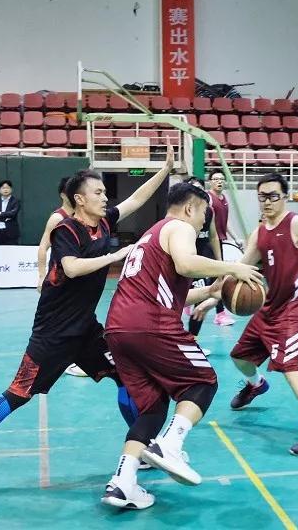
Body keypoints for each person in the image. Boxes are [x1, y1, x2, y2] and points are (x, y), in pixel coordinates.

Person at [0, 149, 176, 496]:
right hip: (52, 334)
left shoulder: (104, 221)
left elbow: (137, 199)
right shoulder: (66, 228)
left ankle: (140, 447)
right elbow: (71, 267)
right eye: (98, 192)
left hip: (86, 330)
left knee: (127, 378)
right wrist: (115, 255)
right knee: (17, 395)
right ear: (80, 199)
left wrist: (165, 169)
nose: (105, 198)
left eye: (105, 193)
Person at [101, 181, 262, 510]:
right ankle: (169, 446)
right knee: (203, 381)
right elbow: (187, 264)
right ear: (190, 208)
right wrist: (233, 266)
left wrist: (211, 291)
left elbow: (171, 294)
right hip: (150, 324)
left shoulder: (151, 235)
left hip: (119, 328)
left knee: (153, 409)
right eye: (204, 213)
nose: (204, 221)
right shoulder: (180, 227)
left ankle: (122, 483)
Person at [227, 173, 298, 456]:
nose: (267, 202)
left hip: (295, 308)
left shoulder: (296, 224)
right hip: (269, 307)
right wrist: (211, 298)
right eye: (262, 196)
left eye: (273, 196)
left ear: (285, 197)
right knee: (239, 357)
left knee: (290, 367)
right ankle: (256, 385)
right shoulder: (259, 232)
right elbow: (240, 267)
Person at [34, 176, 88, 377]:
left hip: (79, 280)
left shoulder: (83, 216)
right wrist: (41, 275)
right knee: (58, 322)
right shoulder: (58, 218)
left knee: (79, 319)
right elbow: (43, 247)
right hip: (60, 279)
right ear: (64, 195)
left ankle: (74, 359)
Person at [184, 176, 223, 356]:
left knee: (201, 305)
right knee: (174, 302)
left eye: (200, 189)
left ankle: (192, 341)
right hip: (183, 262)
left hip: (201, 262)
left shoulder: (209, 211)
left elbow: (213, 236)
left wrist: (220, 263)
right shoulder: (181, 215)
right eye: (193, 189)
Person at [207, 171, 243, 326]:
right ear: (210, 182)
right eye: (216, 179)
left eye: (222, 179)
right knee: (215, 275)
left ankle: (193, 304)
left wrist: (235, 238)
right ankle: (220, 314)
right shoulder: (208, 198)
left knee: (214, 275)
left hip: (219, 241)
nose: (219, 182)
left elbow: (225, 222)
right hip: (207, 241)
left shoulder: (224, 198)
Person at [0, 180, 20, 245]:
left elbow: (13, 213)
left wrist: (1, 214)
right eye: (3, 188)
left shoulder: (15, 201)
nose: (5, 190)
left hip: (11, 232)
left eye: (7, 188)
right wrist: (6, 216)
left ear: (11, 189)